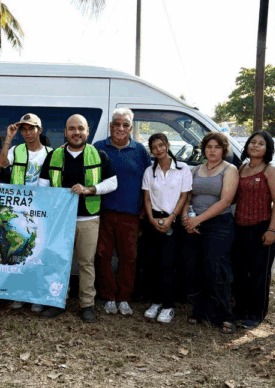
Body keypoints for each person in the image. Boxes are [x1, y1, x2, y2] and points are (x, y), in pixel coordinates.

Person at [38, 114, 117, 322]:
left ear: (87, 131)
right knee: (57, 262)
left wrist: (89, 189)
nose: (76, 132)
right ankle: (57, 300)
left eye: (80, 128)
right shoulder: (54, 155)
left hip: (88, 219)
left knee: (86, 263)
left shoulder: (99, 155)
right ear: (65, 132)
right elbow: (42, 186)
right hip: (59, 220)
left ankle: (87, 305)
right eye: (71, 128)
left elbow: (113, 183)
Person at [93, 108, 151, 316]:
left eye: (125, 125)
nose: (120, 128)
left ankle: (124, 298)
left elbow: (149, 181)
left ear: (131, 128)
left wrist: (146, 207)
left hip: (131, 213)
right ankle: (108, 297)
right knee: (103, 255)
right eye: (116, 124)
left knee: (129, 258)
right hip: (103, 211)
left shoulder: (140, 151)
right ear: (110, 126)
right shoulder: (98, 147)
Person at [182, 132, 239, 334]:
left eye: (216, 147)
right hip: (194, 224)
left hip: (219, 223)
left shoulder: (229, 169)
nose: (212, 150)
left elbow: (225, 201)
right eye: (208, 147)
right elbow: (186, 197)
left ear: (223, 149)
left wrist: (199, 219)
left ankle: (224, 315)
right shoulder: (195, 170)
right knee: (194, 267)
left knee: (216, 268)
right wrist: (187, 219)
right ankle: (199, 311)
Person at [0, 113, 52, 312]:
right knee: (19, 252)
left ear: (40, 130)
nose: (28, 133)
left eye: (32, 128)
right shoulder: (16, 149)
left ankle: (37, 296)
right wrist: (8, 138)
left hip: (40, 211)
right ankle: (19, 295)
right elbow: (1, 164)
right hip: (18, 210)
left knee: (38, 253)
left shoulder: (50, 152)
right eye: (24, 129)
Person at [231, 131, 275, 329]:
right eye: (253, 142)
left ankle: (257, 313)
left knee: (259, 274)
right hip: (240, 227)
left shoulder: (269, 170)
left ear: (267, 149)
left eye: (261, 144)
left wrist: (271, 229)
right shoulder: (241, 168)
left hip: (262, 227)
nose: (255, 146)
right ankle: (240, 309)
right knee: (240, 272)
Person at [141, 133, 191, 324]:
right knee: (152, 263)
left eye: (161, 145)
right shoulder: (149, 171)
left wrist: (172, 218)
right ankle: (156, 302)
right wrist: (152, 220)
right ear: (151, 151)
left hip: (173, 220)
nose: (159, 149)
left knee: (168, 265)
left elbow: (184, 196)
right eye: (154, 147)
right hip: (153, 219)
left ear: (168, 145)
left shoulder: (182, 168)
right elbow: (146, 197)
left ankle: (169, 306)